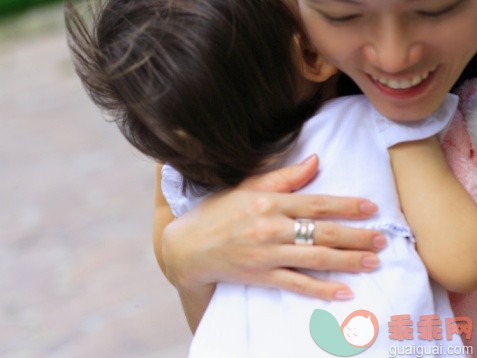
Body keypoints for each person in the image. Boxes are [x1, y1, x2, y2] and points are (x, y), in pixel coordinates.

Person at [64, 0, 477, 355]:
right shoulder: (378, 122)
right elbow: (461, 259)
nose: (393, 57)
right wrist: (413, 134)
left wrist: (180, 249)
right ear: (312, 56)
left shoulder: (196, 173)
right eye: (342, 15)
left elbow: (201, 307)